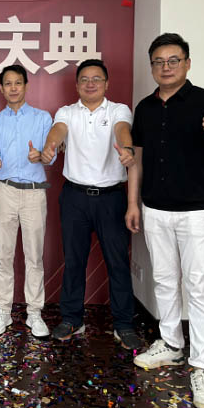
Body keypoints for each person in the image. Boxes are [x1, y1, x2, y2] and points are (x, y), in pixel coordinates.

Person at [128, 33, 204, 408]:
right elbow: (137, 159)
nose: (166, 67)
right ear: (152, 67)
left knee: (199, 286)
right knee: (163, 279)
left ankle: (202, 367)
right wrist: (133, 203)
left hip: (195, 211)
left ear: (187, 63)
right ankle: (171, 344)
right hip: (155, 209)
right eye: (159, 61)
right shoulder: (144, 108)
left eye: (173, 60)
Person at [41, 59, 140, 349]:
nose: (90, 83)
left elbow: (122, 130)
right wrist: (49, 146)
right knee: (74, 261)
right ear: (77, 85)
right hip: (74, 197)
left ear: (107, 83)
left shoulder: (119, 110)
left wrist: (127, 148)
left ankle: (124, 324)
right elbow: (58, 131)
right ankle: (72, 319)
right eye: (84, 79)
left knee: (118, 262)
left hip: (111, 198)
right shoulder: (67, 112)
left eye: (96, 78)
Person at [0, 64, 53, 338]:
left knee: (34, 255)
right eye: (8, 83)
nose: (13, 88)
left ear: (26, 86)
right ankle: (3, 310)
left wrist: (41, 155)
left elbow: (51, 157)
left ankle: (34, 312)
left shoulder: (43, 118)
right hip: (6, 191)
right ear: (1, 88)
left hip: (35, 192)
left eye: (18, 83)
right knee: (4, 253)